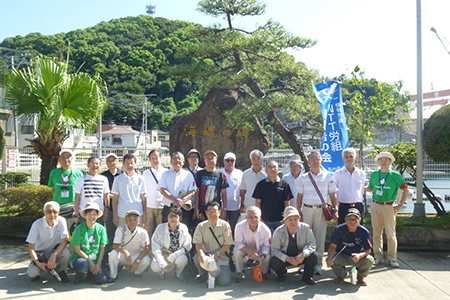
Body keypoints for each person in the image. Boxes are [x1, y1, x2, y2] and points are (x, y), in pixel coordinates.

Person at [296, 151, 338, 275]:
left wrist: (336, 209)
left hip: (321, 210)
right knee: (305, 238)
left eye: (317, 159)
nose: (315, 161)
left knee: (320, 237)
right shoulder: (302, 178)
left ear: (321, 162)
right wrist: (298, 211)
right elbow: (299, 196)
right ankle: (304, 263)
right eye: (312, 159)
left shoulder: (328, 177)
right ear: (308, 162)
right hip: (307, 209)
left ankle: (318, 264)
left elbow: (332, 194)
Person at [366, 151, 409, 268]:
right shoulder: (374, 174)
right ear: (378, 162)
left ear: (390, 162)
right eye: (381, 160)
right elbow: (371, 188)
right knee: (376, 233)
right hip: (375, 205)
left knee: (390, 234)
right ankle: (378, 256)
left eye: (386, 160)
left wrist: (401, 204)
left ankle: (392, 258)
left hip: (389, 206)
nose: (383, 162)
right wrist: (360, 187)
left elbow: (406, 189)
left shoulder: (395, 175)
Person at [326, 208, 374, 286]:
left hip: (358, 257)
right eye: (349, 219)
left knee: (370, 260)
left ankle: (360, 277)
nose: (352, 222)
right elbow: (332, 246)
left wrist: (359, 256)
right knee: (331, 259)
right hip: (343, 255)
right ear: (345, 219)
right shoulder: (339, 229)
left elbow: (368, 249)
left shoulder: (364, 232)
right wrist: (329, 258)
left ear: (359, 220)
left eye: (355, 219)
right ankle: (341, 275)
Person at [270, 206, 317, 285]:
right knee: (273, 262)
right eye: (290, 220)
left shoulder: (306, 228)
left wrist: (303, 254)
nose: (293, 222)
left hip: (300, 255)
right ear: (284, 221)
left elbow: (312, 243)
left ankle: (307, 276)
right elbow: (274, 250)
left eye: (295, 219)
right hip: (285, 256)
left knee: (314, 256)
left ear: (299, 219)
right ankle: (281, 273)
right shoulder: (278, 231)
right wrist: (288, 259)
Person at [26, 201, 70, 282]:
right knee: (32, 273)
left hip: (54, 251)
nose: (52, 215)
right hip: (40, 253)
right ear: (44, 212)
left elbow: (64, 242)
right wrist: (38, 262)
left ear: (59, 212)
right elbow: (31, 248)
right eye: (49, 212)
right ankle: (40, 268)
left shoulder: (62, 221)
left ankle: (62, 272)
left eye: (55, 212)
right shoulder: (36, 225)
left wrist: (54, 255)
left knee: (66, 252)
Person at [193, 201, 233, 287]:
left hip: (221, 257)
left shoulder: (225, 225)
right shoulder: (200, 226)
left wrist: (217, 254)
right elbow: (198, 243)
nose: (212, 213)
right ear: (206, 213)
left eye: (214, 211)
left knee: (224, 282)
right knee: (197, 257)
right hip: (206, 255)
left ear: (219, 212)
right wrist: (201, 254)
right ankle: (204, 274)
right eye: (209, 211)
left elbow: (228, 244)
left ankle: (213, 273)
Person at [107, 210, 151, 283]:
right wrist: (125, 252)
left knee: (147, 260)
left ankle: (137, 272)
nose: (132, 222)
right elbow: (115, 245)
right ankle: (113, 275)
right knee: (112, 254)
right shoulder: (120, 229)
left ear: (139, 221)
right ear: (125, 221)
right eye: (129, 219)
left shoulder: (143, 232)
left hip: (136, 256)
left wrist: (137, 260)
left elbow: (146, 248)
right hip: (123, 255)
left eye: (134, 219)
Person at [151, 207, 192, 282]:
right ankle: (161, 273)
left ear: (180, 218)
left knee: (183, 259)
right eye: (171, 216)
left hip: (177, 255)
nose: (173, 218)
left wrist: (175, 255)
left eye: (175, 216)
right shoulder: (160, 228)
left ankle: (178, 274)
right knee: (154, 266)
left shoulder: (184, 228)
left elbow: (187, 245)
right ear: (167, 217)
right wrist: (160, 260)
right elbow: (155, 245)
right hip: (164, 254)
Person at [70, 202, 108, 284]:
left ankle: (91, 274)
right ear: (85, 215)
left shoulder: (101, 229)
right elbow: (77, 249)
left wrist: (98, 263)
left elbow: (102, 248)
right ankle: (80, 274)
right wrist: (90, 262)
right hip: (82, 259)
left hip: (96, 260)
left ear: (97, 216)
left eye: (94, 214)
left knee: (102, 281)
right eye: (89, 214)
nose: (92, 217)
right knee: (83, 265)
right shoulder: (79, 229)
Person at [158, 151, 197, 227]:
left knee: (184, 230)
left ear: (183, 162)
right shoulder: (165, 174)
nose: (177, 161)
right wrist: (175, 200)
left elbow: (192, 191)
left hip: (183, 209)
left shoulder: (188, 175)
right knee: (166, 229)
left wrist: (182, 200)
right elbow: (162, 190)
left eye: (179, 159)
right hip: (168, 208)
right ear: (171, 161)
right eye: (175, 158)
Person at [233, 206, 271, 282]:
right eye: (250, 217)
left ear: (260, 217)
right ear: (246, 217)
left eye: (256, 217)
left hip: (259, 250)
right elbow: (238, 243)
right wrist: (250, 251)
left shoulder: (266, 230)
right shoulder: (239, 226)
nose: (253, 219)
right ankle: (239, 272)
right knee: (236, 252)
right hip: (244, 249)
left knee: (267, 257)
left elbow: (267, 247)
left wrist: (262, 257)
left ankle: (263, 272)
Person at [48, 149, 83, 227]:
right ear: (59, 159)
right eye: (63, 157)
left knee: (70, 230)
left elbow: (81, 191)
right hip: (58, 206)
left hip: (72, 207)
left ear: (72, 159)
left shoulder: (78, 173)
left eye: (68, 157)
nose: (66, 159)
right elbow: (53, 189)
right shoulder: (54, 173)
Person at [253, 161, 292, 231]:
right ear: (266, 170)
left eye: (274, 167)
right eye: (270, 167)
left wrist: (286, 217)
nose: (272, 169)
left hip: (280, 220)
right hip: (265, 220)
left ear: (278, 170)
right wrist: (259, 217)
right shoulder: (260, 185)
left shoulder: (284, 185)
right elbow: (258, 203)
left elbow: (287, 203)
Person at [112, 153, 147, 227]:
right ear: (123, 164)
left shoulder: (141, 179)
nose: (129, 165)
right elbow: (115, 199)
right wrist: (115, 215)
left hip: (138, 213)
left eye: (131, 163)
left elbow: (143, 197)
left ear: (135, 164)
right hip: (122, 214)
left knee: (137, 237)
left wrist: (145, 213)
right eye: (127, 163)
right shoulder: (118, 179)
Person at [333, 148, 366, 225]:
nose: (349, 158)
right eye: (346, 156)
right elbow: (334, 190)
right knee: (342, 230)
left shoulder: (361, 173)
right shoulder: (338, 173)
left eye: (351, 156)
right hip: (344, 206)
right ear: (343, 159)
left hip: (358, 205)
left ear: (355, 158)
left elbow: (361, 189)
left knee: (359, 229)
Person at [73, 155, 110, 225]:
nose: (94, 165)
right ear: (88, 165)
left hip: (99, 213)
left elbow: (106, 195)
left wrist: (106, 210)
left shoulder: (104, 179)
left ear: (100, 165)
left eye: (97, 164)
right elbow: (77, 197)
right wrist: (76, 214)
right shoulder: (81, 179)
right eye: (92, 163)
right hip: (84, 213)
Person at [194, 150, 228, 221]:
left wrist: (224, 209)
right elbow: (197, 192)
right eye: (208, 158)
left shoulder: (221, 175)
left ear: (216, 160)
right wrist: (196, 208)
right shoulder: (199, 174)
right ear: (204, 160)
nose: (210, 160)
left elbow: (224, 193)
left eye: (212, 158)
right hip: (202, 209)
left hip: (215, 209)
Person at [143, 150, 167, 239]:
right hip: (149, 206)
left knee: (161, 231)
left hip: (162, 205)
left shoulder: (166, 172)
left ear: (160, 158)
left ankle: (160, 250)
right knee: (147, 230)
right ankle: (147, 250)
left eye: (156, 157)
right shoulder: (145, 174)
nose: (155, 160)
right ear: (149, 160)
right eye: (152, 158)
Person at [101, 153, 122, 250]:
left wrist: (112, 195)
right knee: (110, 233)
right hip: (109, 209)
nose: (112, 163)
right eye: (109, 161)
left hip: (121, 208)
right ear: (106, 163)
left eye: (114, 160)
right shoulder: (103, 176)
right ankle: (109, 255)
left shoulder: (123, 175)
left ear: (117, 162)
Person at [219, 152, 243, 236]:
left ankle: (232, 248)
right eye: (227, 160)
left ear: (235, 162)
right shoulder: (219, 173)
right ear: (224, 161)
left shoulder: (240, 173)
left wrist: (242, 204)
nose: (230, 163)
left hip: (235, 207)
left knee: (233, 230)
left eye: (232, 160)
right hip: (221, 207)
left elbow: (242, 190)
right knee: (222, 229)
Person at [239, 150, 266, 214]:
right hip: (249, 204)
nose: (256, 161)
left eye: (258, 159)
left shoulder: (266, 174)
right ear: (251, 160)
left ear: (261, 160)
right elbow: (243, 191)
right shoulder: (245, 174)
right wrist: (242, 205)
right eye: (254, 159)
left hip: (264, 204)